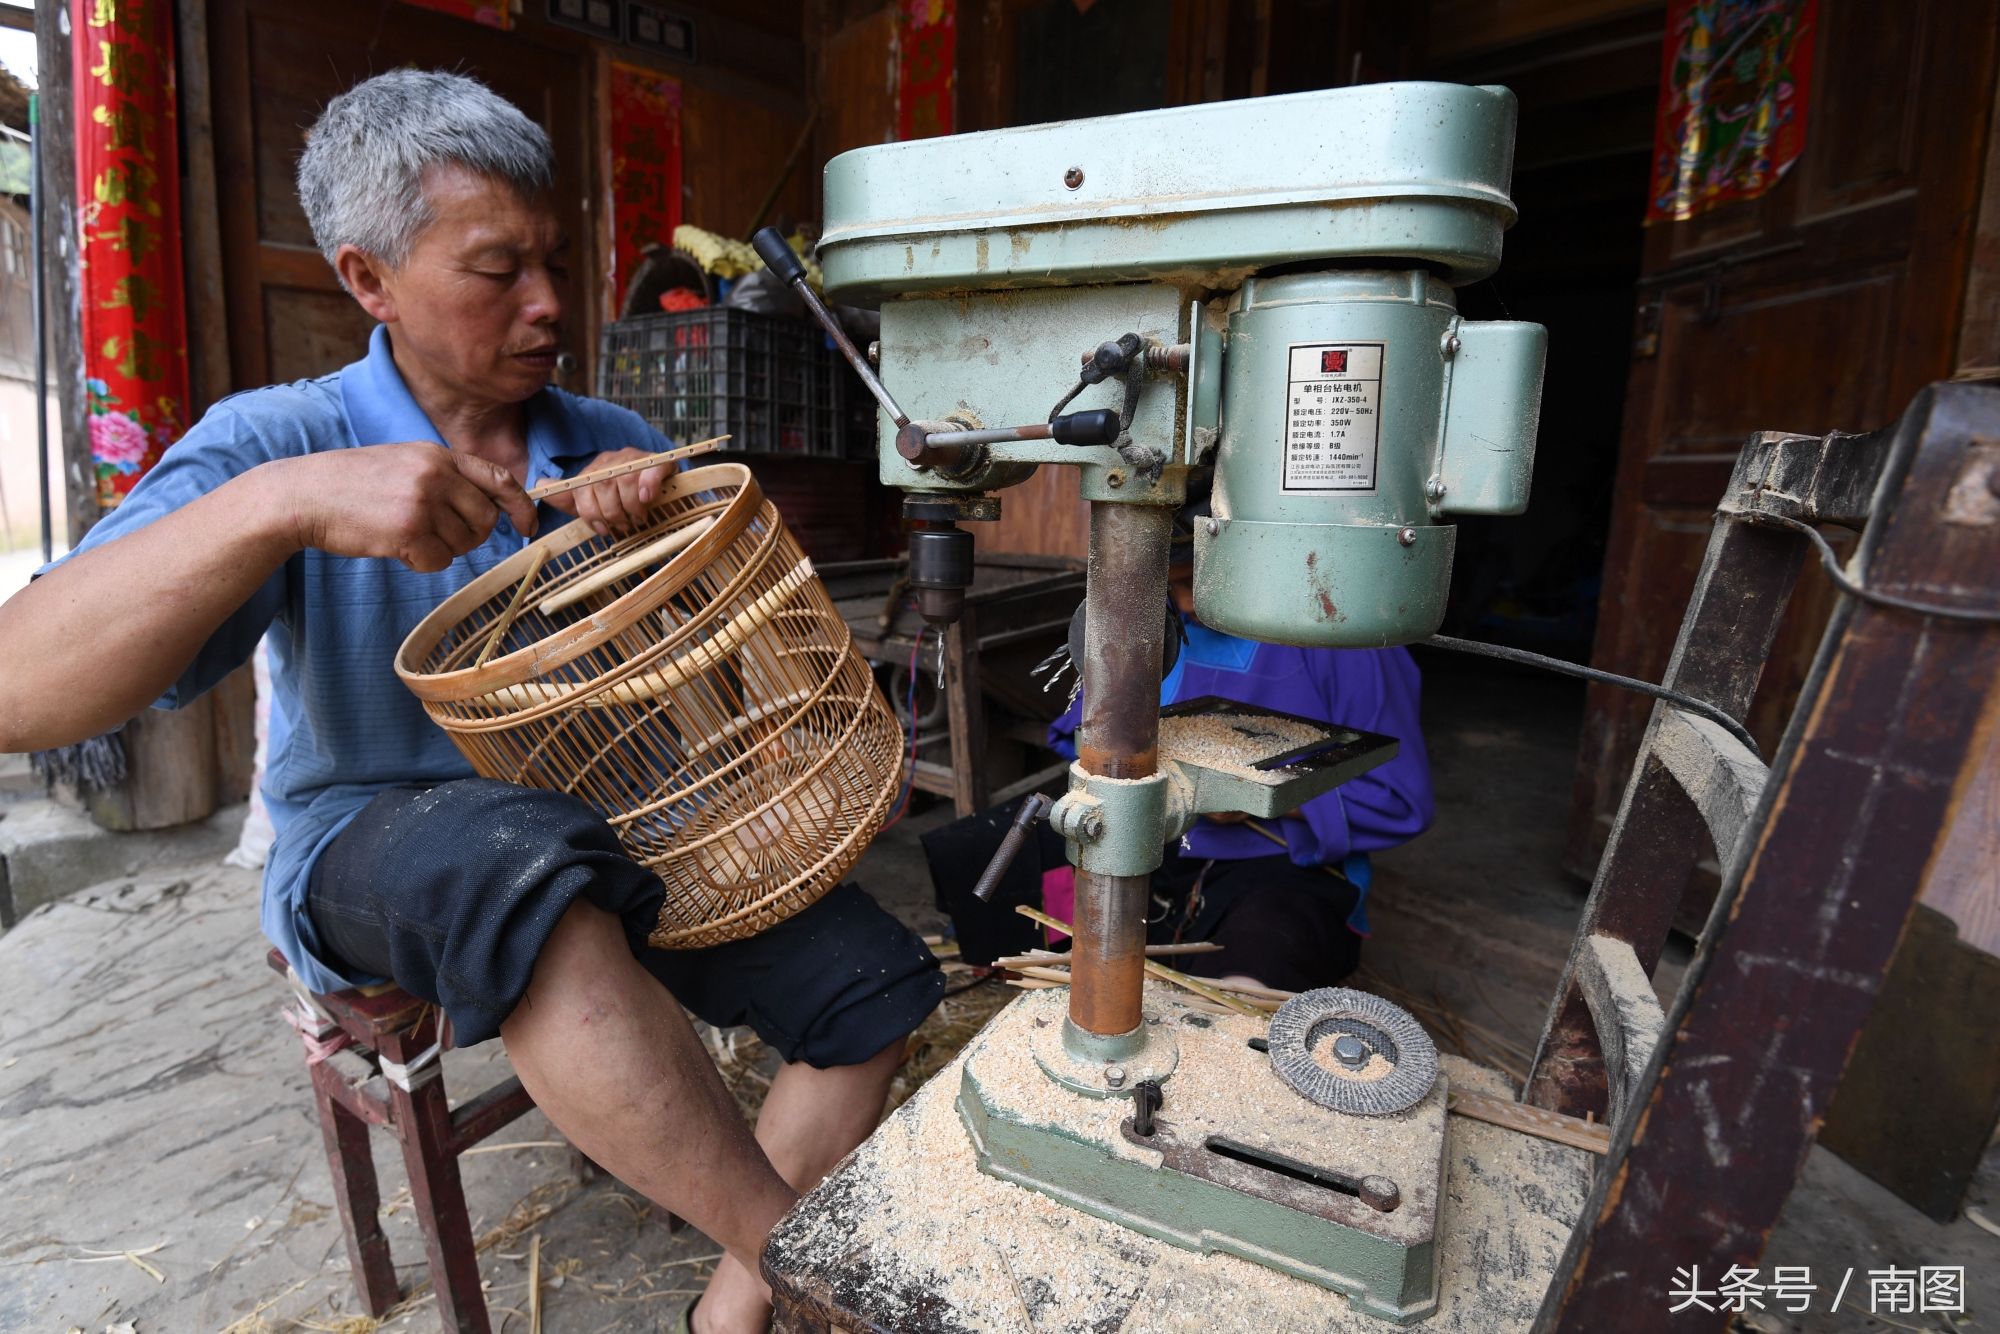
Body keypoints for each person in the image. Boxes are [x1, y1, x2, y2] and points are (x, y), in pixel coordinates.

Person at [0, 71, 939, 1334]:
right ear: (367, 279)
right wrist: (285, 505)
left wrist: (656, 552)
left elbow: (713, 690)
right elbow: (20, 683)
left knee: (871, 982)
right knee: (519, 872)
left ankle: (733, 1303)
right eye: (497, 270)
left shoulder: (597, 430)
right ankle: (818, 1281)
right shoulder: (281, 438)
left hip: (608, 820)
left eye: (554, 261)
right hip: (371, 843)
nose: (551, 305)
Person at [1036, 548, 1434, 994]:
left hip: (1280, 865)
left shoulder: (1346, 644)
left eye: (1199, 584)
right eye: (1175, 585)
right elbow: (1082, 733)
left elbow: (1399, 802)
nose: (1186, 605)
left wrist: (1258, 799)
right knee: (1005, 853)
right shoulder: (1161, 629)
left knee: (1247, 977)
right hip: (1166, 839)